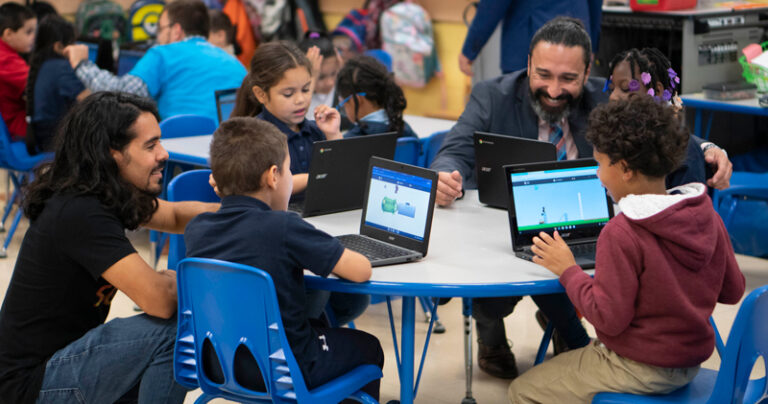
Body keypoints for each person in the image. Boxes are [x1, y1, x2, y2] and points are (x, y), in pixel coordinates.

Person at [507, 95, 745, 404]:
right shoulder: (707, 214)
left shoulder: (622, 233)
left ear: (625, 169)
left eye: (599, 164)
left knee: (521, 391)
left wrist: (568, 270)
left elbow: (609, 320)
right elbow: (733, 290)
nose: (597, 174)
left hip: (639, 366)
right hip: (689, 363)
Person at [0, 92, 220, 403]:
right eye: (150, 145)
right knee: (174, 330)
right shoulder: (80, 210)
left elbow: (174, 214)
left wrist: (244, 213)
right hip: (29, 387)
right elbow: (160, 301)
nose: (163, 154)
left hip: (66, 360)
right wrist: (171, 281)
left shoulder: (105, 192)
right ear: (112, 153)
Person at [184, 117, 384, 399]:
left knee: (319, 325)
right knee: (368, 346)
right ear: (273, 176)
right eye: (290, 170)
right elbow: (361, 270)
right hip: (285, 369)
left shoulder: (197, 229)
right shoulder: (285, 227)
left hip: (218, 364)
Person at [64, 0, 246, 122]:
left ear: (176, 30)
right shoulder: (236, 64)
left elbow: (119, 95)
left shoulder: (162, 54)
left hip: (181, 157)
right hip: (229, 158)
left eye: (160, 28)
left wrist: (82, 64)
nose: (157, 36)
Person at [606, 47, 732, 189]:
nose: (612, 97)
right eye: (611, 89)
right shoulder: (612, 126)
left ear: (657, 91)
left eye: (625, 88)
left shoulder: (682, 153)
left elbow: (686, 208)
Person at [231, 40, 342, 196]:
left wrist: (333, 134)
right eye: (288, 94)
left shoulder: (316, 131)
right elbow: (266, 188)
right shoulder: (253, 138)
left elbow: (344, 174)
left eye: (306, 89)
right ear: (261, 94)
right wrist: (315, 177)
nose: (300, 100)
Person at [459, 0, 602, 76]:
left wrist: (471, 48)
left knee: (521, 121)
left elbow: (493, 5)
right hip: (576, 40)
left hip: (528, 43)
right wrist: (591, 45)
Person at [25, 14, 89, 154]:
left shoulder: (42, 64)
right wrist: (83, 63)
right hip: (57, 141)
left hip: (42, 138)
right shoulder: (60, 67)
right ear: (59, 47)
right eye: (73, 43)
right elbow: (90, 101)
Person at [336, 55, 418, 139]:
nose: (344, 109)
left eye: (343, 103)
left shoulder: (352, 140)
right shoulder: (405, 129)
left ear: (356, 100)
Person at [0, 3, 36, 138]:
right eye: (28, 32)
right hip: (16, 126)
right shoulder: (6, 60)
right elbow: (38, 84)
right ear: (8, 34)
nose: (34, 37)